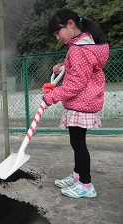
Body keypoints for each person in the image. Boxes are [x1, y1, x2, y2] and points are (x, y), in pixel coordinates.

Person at [43, 9, 109, 198]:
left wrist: (51, 97)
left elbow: (76, 83)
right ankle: (78, 176)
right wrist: (64, 66)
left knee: (78, 144)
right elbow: (82, 68)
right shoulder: (84, 43)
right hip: (85, 101)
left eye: (58, 32)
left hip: (81, 102)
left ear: (71, 24)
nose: (57, 37)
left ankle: (86, 185)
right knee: (77, 142)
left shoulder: (79, 49)